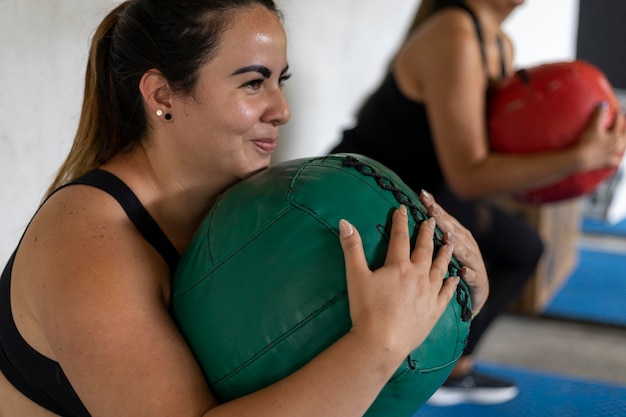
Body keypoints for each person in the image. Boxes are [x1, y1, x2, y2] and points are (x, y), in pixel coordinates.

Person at [0, 1, 490, 416]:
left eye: (280, 80)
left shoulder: (246, 203)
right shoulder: (87, 240)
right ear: (162, 94)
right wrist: (376, 347)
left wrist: (449, 295)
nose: (282, 109)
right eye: (254, 83)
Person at [330, 0, 626, 407]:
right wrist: (580, 159)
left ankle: (452, 368)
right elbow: (469, 174)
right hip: (370, 192)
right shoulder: (455, 34)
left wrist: (578, 154)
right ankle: (428, 368)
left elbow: (491, 154)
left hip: (425, 191)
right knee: (516, 249)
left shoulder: (497, 42)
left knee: (520, 247)